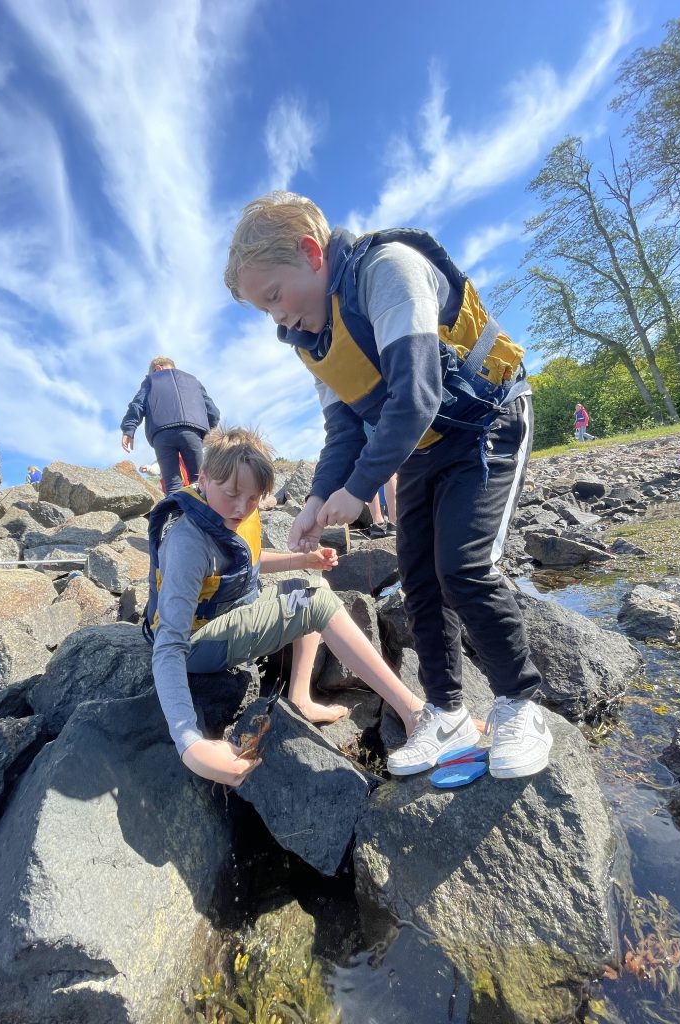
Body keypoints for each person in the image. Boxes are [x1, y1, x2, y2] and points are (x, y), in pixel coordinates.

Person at [225, 191, 553, 780]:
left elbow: (419, 392)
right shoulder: (313, 343)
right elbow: (344, 428)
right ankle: (447, 713)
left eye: (274, 296)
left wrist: (361, 491)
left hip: (487, 425)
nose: (276, 318)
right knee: (420, 582)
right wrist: (319, 499)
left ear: (310, 252)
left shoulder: (388, 269)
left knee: (464, 567)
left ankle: (520, 703)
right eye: (263, 311)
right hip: (424, 447)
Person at [146, 426, 429, 787]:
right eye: (231, 493)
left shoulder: (234, 512)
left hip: (228, 613)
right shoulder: (187, 543)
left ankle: (299, 697)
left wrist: (302, 560)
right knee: (315, 601)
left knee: (315, 585)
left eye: (252, 499)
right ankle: (414, 713)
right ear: (202, 477)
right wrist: (190, 742)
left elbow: (243, 560)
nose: (240, 507)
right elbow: (169, 644)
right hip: (195, 643)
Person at [120, 356, 220, 493]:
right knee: (199, 480)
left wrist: (128, 429)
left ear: (158, 368)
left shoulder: (151, 380)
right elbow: (212, 410)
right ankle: (204, 511)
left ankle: (174, 513)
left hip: (162, 434)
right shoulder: (193, 381)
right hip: (192, 431)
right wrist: (209, 427)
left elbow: (138, 405)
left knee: (172, 485)